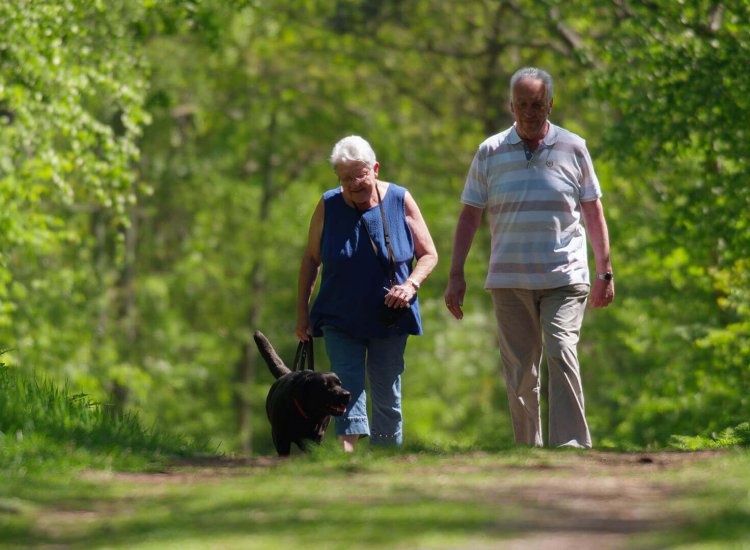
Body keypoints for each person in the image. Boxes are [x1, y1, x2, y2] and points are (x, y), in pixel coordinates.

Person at [443, 67, 614, 449]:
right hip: (509, 279)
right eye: (522, 104)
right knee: (520, 371)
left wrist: (605, 271)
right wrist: (456, 274)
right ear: (511, 106)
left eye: (537, 104)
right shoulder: (489, 151)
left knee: (561, 349)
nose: (530, 112)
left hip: (565, 276)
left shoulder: (574, 147)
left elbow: (593, 211)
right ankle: (529, 451)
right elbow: (470, 214)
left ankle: (570, 446)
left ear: (550, 104)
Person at [296, 135, 438, 452]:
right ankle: (349, 459)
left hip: (389, 316)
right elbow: (311, 259)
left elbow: (428, 254)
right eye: (346, 179)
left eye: (359, 175)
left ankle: (387, 456)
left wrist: (410, 285)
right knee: (345, 385)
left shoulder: (400, 199)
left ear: (374, 169)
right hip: (339, 314)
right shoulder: (329, 205)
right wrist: (301, 313)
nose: (353, 184)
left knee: (387, 387)